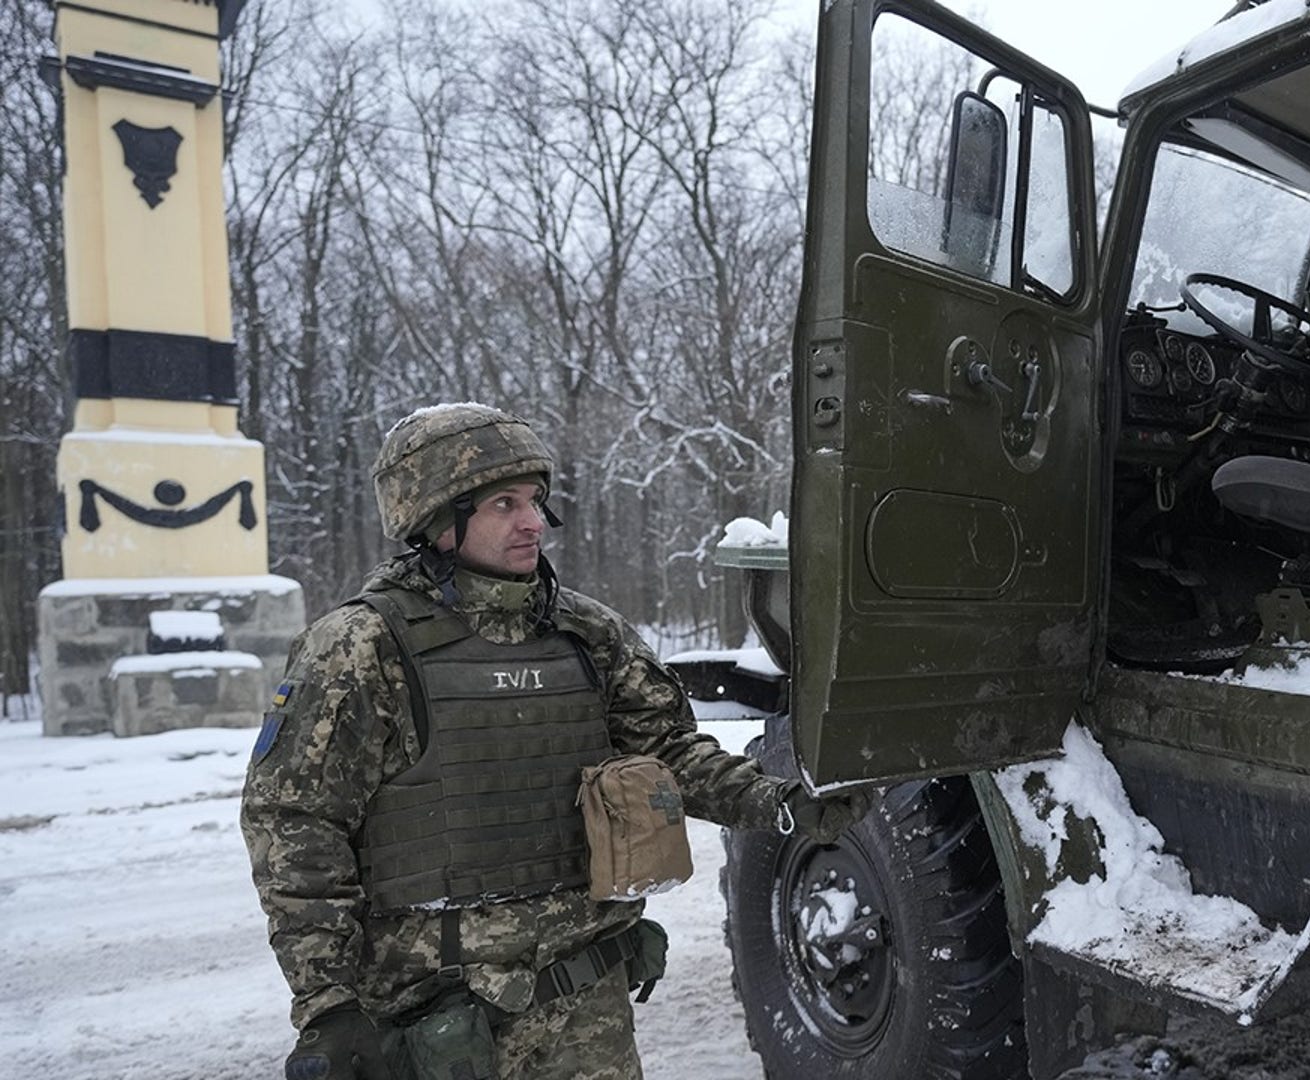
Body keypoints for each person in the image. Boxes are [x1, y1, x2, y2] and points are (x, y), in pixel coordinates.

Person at [241, 403, 869, 1080]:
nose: (532, 522)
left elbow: (671, 755)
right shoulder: (361, 651)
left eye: (535, 500)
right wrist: (328, 1004)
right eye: (504, 504)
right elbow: (296, 827)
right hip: (438, 1024)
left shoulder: (589, 635)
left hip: (587, 1010)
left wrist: (781, 802)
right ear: (435, 519)